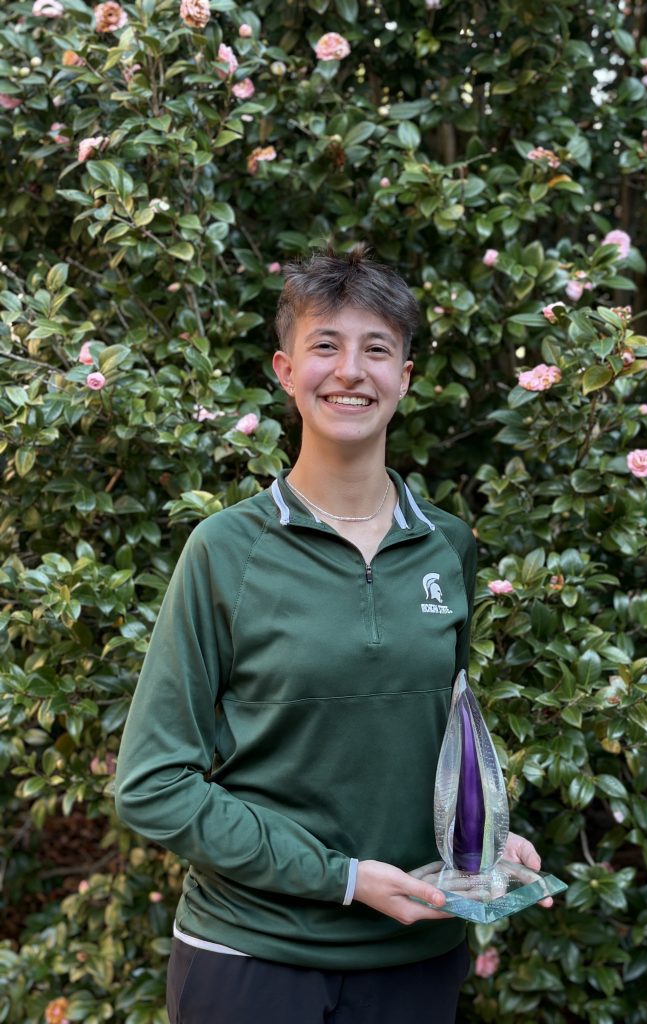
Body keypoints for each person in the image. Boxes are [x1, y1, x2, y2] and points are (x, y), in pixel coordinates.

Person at [114, 245, 549, 1024]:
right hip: (251, 957)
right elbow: (153, 785)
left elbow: (431, 732)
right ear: (286, 371)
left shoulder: (447, 546)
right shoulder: (224, 551)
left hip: (415, 956)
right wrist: (342, 878)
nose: (351, 371)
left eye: (376, 349)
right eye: (326, 346)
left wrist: (486, 847)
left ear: (405, 379)